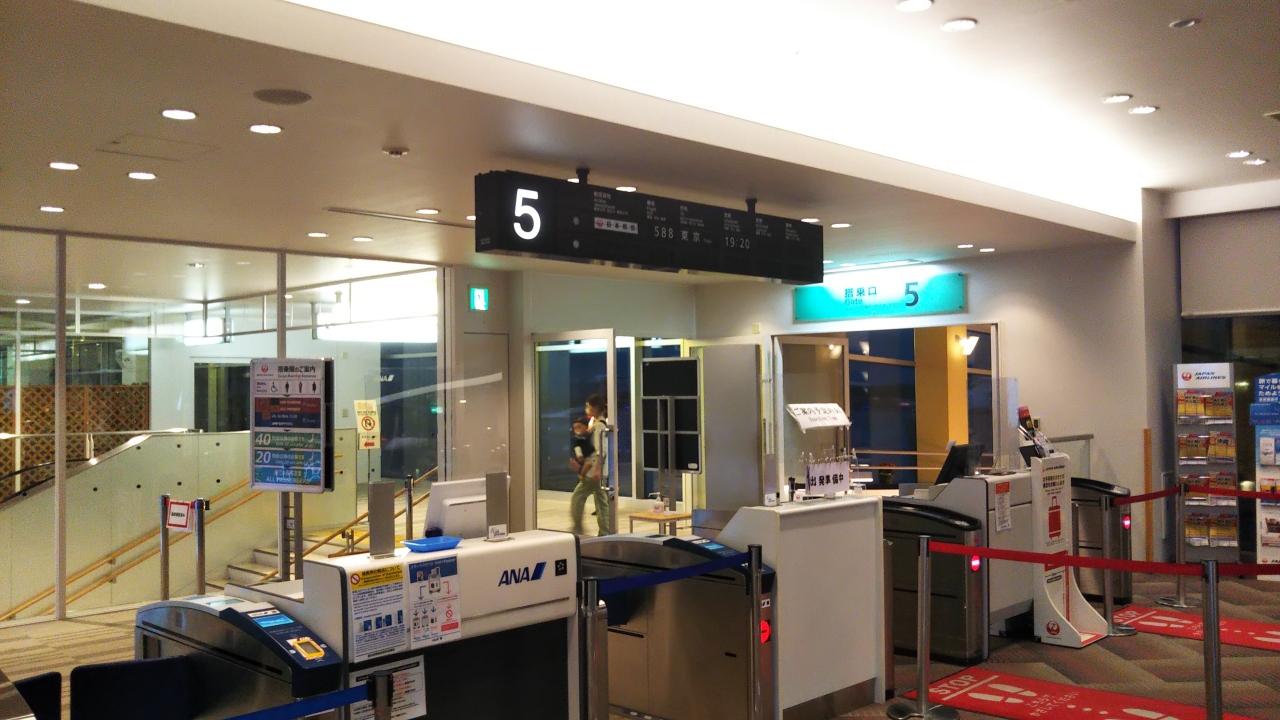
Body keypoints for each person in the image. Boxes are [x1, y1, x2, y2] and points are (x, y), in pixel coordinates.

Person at [569, 394, 613, 535]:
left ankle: (578, 528)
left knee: (577, 497)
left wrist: (597, 469)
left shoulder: (599, 426)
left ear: (594, 408)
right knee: (601, 503)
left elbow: (601, 450)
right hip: (597, 471)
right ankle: (605, 532)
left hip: (594, 471)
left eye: (588, 406)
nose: (586, 409)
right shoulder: (596, 423)